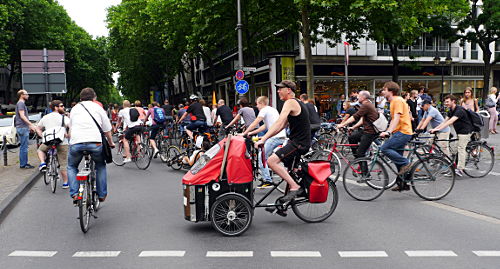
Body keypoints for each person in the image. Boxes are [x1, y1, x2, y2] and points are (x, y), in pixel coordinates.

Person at [255, 80, 311, 204]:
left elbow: (279, 122)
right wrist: (266, 138)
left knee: (271, 161)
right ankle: (284, 204)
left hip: (299, 143)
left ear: (289, 90)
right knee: (289, 171)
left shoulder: (290, 102)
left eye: (281, 89)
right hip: (299, 142)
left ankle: (295, 187)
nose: (278, 91)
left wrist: (264, 139)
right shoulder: (296, 103)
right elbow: (281, 126)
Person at [67, 88, 114, 203]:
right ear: (94, 98)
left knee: (72, 167)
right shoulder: (98, 107)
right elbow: (107, 129)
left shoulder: (75, 109)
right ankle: (102, 194)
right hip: (95, 143)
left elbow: (71, 127)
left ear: (80, 98)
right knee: (100, 166)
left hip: (76, 143)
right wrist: (111, 143)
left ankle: (75, 193)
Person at [242, 96, 286, 188]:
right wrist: (251, 133)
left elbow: (255, 122)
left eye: (257, 104)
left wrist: (244, 133)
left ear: (261, 103)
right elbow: (265, 126)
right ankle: (269, 172)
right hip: (279, 136)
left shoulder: (264, 110)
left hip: (275, 137)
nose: (256, 106)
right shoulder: (272, 110)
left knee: (261, 157)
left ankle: (267, 180)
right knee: (266, 157)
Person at [378, 82, 413, 191]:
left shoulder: (397, 100)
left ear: (390, 91)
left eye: (384, 89)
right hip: (401, 131)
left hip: (403, 132)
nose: (383, 92)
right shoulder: (394, 101)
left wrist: (388, 132)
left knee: (384, 148)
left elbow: (396, 118)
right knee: (398, 160)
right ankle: (403, 184)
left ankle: (406, 163)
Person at [430, 95, 473, 177]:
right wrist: (435, 129)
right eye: (445, 102)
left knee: (461, 148)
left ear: (453, 101)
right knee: (454, 150)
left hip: (465, 131)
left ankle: (460, 169)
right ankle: (453, 168)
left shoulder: (459, 110)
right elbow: (444, 122)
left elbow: (449, 122)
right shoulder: (451, 110)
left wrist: (437, 129)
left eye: (447, 102)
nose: (445, 103)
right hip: (459, 132)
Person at [36, 100, 70, 188]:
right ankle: (65, 183)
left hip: (49, 142)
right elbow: (71, 126)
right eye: (61, 106)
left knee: (40, 149)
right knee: (63, 163)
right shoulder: (64, 118)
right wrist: (68, 135)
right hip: (62, 142)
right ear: (56, 107)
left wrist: (42, 136)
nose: (63, 107)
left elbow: (38, 128)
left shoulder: (45, 117)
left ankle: (43, 163)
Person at [336, 90, 379, 159]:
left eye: (359, 96)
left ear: (363, 97)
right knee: (352, 138)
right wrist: (353, 127)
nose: (357, 97)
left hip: (370, 132)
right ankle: (357, 158)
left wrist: (342, 125)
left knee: (360, 154)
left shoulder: (366, 105)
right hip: (366, 130)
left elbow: (355, 116)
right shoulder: (366, 104)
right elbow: (362, 120)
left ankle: (363, 167)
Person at [15, 89, 37, 169]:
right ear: (22, 95)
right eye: (26, 94)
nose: (28, 95)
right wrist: (30, 124)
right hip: (22, 127)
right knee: (24, 147)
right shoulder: (20, 103)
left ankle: (24, 163)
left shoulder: (20, 103)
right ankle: (24, 164)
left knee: (23, 146)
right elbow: (22, 116)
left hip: (22, 127)